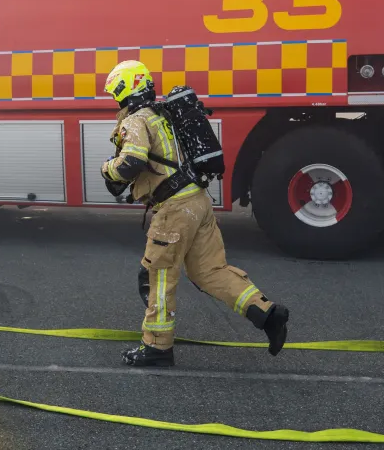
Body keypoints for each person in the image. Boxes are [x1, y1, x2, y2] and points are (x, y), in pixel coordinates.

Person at [100, 60, 289, 367]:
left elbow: (131, 162)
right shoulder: (164, 115)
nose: (116, 101)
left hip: (174, 208)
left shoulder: (136, 120)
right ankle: (267, 313)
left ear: (125, 90)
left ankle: (157, 347)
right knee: (210, 271)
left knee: (157, 275)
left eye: (116, 95)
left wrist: (106, 168)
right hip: (197, 200)